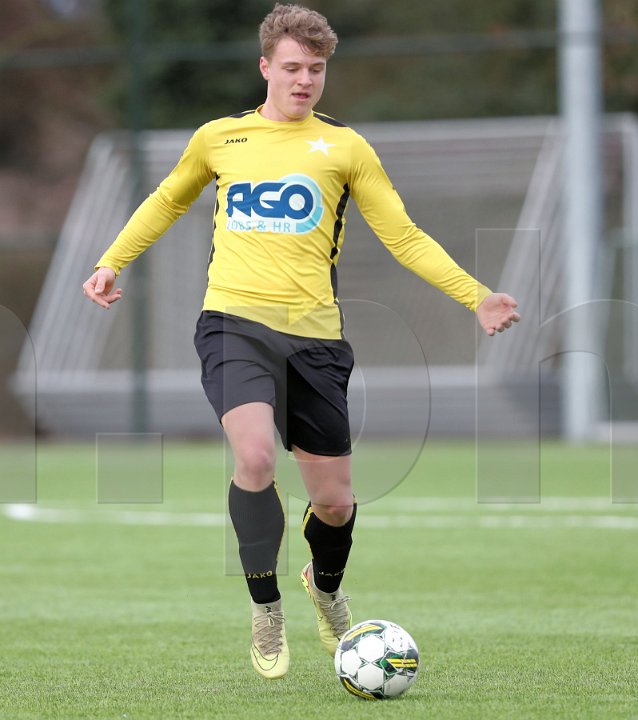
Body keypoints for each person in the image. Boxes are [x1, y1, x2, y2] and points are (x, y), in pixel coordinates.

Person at [82, 3, 520, 680]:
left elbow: (403, 236)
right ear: (265, 67)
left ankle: (326, 586)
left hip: (316, 341)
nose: (304, 80)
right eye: (292, 68)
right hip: (233, 324)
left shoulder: (346, 148)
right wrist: (114, 258)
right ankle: (266, 607)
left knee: (336, 503)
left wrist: (476, 296)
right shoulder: (219, 138)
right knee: (255, 457)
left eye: (316, 69)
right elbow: (168, 200)